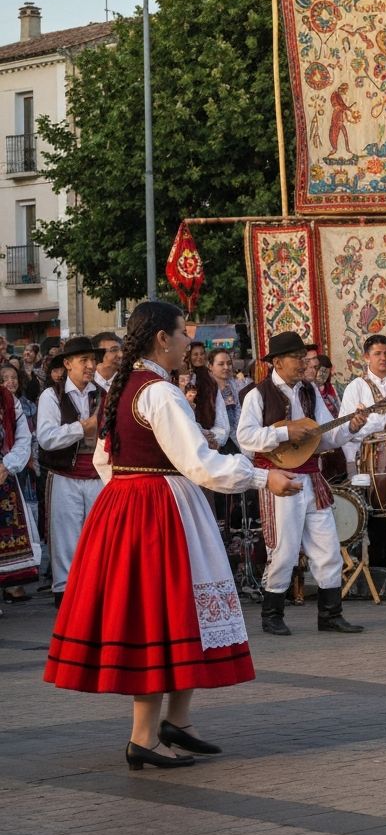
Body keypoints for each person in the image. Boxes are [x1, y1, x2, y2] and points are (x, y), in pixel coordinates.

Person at [43, 301, 301, 770]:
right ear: (163, 338)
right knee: (161, 617)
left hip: (134, 504)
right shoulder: (160, 393)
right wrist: (264, 478)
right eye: (183, 334)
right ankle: (143, 736)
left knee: (186, 613)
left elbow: (105, 461)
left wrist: (126, 494)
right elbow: (199, 461)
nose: (189, 343)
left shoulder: (126, 387)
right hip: (159, 510)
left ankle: (176, 722)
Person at [237, 331, 368, 637]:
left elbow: (324, 437)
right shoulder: (258, 395)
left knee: (327, 549)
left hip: (312, 478)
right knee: (283, 549)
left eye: (304, 357)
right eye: (297, 357)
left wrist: (349, 426)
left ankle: (330, 614)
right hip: (280, 480)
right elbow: (245, 438)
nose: (304, 362)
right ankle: (272, 614)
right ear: (278, 362)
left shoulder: (309, 392)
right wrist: (284, 433)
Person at [36, 336, 106, 608]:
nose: (90, 365)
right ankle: (65, 597)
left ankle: (95, 595)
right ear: (67, 364)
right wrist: (83, 428)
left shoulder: (102, 393)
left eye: (92, 360)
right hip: (65, 476)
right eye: (84, 360)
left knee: (98, 538)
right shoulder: (51, 396)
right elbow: (46, 438)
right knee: (66, 539)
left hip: (97, 476)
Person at [341, 334, 386, 571]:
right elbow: (346, 429)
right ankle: (380, 569)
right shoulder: (356, 388)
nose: (383, 358)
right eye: (377, 354)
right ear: (366, 357)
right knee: (375, 514)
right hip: (370, 459)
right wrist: (353, 463)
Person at [0, 364, 40, 605]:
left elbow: (24, 436)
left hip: (4, 472)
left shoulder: (8, 400)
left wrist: (7, 465)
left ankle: (10, 586)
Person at [209, 348, 243, 450]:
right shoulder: (206, 390)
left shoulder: (237, 386)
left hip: (238, 440)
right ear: (210, 366)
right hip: (217, 442)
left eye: (229, 363)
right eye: (221, 364)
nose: (226, 367)